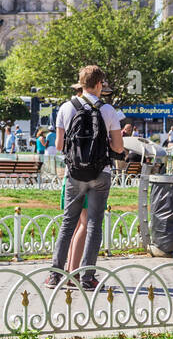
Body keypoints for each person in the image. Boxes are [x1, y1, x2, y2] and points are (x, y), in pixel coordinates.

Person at [47, 65, 124, 291]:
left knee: (68, 222)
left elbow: (59, 145)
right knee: (93, 224)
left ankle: (55, 275)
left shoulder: (66, 108)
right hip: (101, 173)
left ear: (81, 84)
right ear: (99, 84)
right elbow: (118, 147)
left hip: (74, 173)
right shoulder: (108, 110)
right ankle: (87, 276)